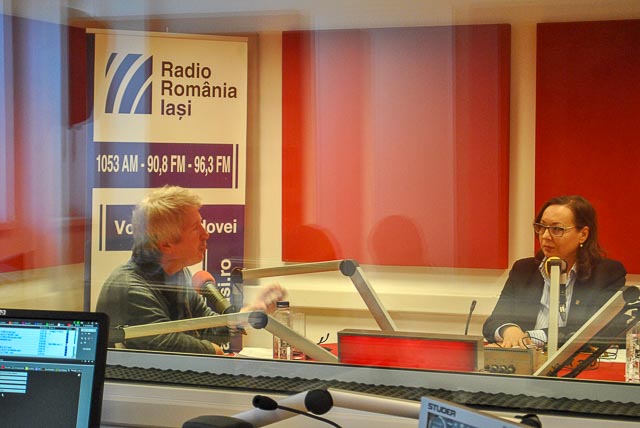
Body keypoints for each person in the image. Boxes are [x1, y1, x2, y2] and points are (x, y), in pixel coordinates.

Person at [96, 185, 287, 354]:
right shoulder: (131, 289)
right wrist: (213, 351)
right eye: (196, 228)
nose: (206, 234)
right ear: (166, 244)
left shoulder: (177, 274)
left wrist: (250, 313)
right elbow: (167, 347)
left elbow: (209, 327)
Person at [482, 195, 626, 349]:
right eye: (541, 227)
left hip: (574, 360)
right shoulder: (523, 270)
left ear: (583, 234)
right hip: (526, 359)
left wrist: (531, 337)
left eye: (557, 229)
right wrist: (509, 330)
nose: (545, 236)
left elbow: (596, 331)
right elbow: (493, 322)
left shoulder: (606, 274)